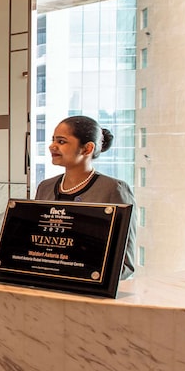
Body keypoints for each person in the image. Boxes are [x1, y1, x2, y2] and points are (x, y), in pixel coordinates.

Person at [34, 114, 137, 279]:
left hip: (89, 289)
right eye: (53, 140)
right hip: (45, 285)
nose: (52, 146)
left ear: (87, 148)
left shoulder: (114, 190)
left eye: (61, 141)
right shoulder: (45, 187)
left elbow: (124, 264)